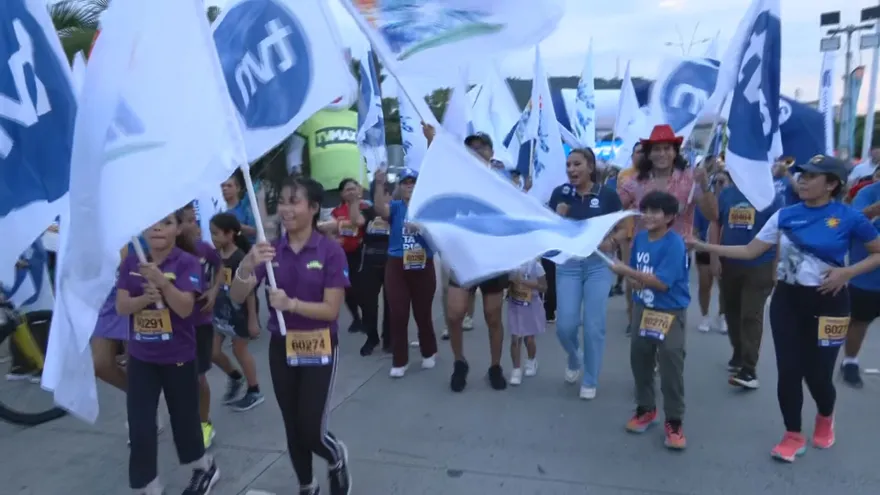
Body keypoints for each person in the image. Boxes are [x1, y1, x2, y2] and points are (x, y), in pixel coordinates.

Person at [688, 155, 880, 463]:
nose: (802, 179)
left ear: (832, 184)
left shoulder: (848, 217)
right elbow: (751, 250)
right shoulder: (785, 215)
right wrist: (705, 247)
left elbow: (877, 253)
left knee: (818, 375)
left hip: (830, 302)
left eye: (812, 176)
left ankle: (825, 415)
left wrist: (848, 273)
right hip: (788, 301)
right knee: (789, 371)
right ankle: (792, 434)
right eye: (801, 174)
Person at [229, 176, 352, 495]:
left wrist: (291, 304)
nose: (285, 208)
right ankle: (307, 485)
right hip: (282, 347)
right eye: (282, 201)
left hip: (320, 345)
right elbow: (237, 296)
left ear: (313, 208)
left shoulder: (330, 252)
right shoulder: (270, 251)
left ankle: (336, 457)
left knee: (311, 430)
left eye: (294, 201)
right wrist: (248, 262)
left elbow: (331, 310)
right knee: (293, 426)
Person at [116, 211, 219, 495]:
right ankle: (148, 485)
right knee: (140, 425)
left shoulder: (187, 263)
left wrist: (162, 282)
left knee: (184, 420)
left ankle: (204, 466)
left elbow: (186, 308)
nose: (158, 229)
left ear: (176, 230)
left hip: (178, 355)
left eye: (166, 223)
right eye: (152, 224)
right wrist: (143, 299)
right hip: (141, 358)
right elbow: (122, 306)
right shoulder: (132, 262)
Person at [610, 191, 690, 450]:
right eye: (646, 211)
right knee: (640, 361)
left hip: (669, 312)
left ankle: (674, 421)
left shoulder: (674, 244)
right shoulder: (641, 239)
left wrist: (626, 272)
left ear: (669, 217)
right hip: (643, 309)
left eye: (656, 212)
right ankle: (646, 409)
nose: (649, 216)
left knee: (670, 365)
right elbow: (638, 276)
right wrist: (632, 280)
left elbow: (662, 283)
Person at [549, 148, 626, 400]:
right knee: (565, 326)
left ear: (590, 167)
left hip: (597, 265)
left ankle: (590, 377)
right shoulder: (560, 194)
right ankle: (574, 357)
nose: (571, 169)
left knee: (594, 326)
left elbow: (625, 228)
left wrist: (612, 242)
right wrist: (556, 217)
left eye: (577, 164)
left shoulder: (608, 196)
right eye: (568, 165)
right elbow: (548, 231)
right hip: (569, 266)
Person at [437, 128, 509, 391]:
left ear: (491, 153)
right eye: (472, 148)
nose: (477, 152)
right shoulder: (455, 180)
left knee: (492, 315)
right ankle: (459, 361)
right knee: (455, 314)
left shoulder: (501, 179)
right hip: (463, 257)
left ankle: (495, 366)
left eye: (482, 147)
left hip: (492, 258)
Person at [715, 171, 783, 390]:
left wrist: (776, 268)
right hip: (730, 262)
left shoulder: (772, 196)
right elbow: (716, 224)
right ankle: (739, 351)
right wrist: (715, 257)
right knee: (731, 311)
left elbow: (781, 233)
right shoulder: (727, 194)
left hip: (760, 264)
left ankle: (749, 369)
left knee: (750, 315)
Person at [371, 166, 438, 378]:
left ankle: (429, 351)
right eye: (406, 182)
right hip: (397, 264)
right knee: (398, 313)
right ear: (400, 186)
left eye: (413, 182)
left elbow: (439, 235)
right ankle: (400, 360)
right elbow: (380, 210)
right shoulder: (397, 207)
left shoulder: (428, 208)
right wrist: (379, 184)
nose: (409, 185)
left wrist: (421, 228)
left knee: (422, 313)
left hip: (423, 263)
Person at [209, 212, 264, 411]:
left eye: (216, 233)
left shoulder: (240, 258)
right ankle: (235, 377)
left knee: (239, 350)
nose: (213, 238)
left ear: (230, 234)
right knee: (212, 351)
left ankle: (254, 390)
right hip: (220, 311)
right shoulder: (216, 256)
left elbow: (249, 291)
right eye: (211, 233)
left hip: (240, 312)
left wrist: (253, 320)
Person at [179, 203, 223, 448]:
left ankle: (205, 423)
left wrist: (215, 290)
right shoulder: (169, 255)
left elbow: (220, 267)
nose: (195, 225)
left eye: (195, 220)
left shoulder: (204, 249)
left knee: (199, 377)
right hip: (176, 327)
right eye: (189, 220)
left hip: (201, 324)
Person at [840, 173, 880, 387]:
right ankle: (850, 361)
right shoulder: (867, 193)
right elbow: (852, 223)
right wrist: (873, 209)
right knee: (860, 320)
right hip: (868, 275)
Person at [358, 181, 393, 356]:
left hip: (391, 262)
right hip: (370, 261)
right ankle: (372, 337)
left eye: (387, 192)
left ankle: (390, 338)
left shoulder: (396, 211)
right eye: (380, 193)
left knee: (391, 302)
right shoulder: (367, 212)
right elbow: (356, 221)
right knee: (368, 303)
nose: (384, 196)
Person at [694, 171, 730, 333]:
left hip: (725, 249)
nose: (719, 185)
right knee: (704, 284)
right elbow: (695, 228)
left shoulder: (731, 203)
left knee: (724, 287)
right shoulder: (703, 203)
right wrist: (697, 242)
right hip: (705, 248)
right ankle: (705, 316)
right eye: (716, 182)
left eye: (723, 182)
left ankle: (722, 315)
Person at [331, 178, 368, 334]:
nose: (351, 192)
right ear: (342, 194)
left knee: (361, 287)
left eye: (354, 188)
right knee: (348, 288)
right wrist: (335, 239)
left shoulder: (365, 207)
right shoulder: (336, 212)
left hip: (361, 253)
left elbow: (361, 224)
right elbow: (331, 232)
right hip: (342, 255)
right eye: (348, 190)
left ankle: (367, 318)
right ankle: (356, 318)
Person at [507, 258, 547, 386]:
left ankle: (531, 360)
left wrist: (527, 283)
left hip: (531, 305)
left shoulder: (537, 267)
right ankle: (516, 369)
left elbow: (544, 287)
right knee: (515, 338)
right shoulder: (511, 265)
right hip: (515, 306)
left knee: (529, 338)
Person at [221, 170, 257, 245]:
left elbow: (255, 231)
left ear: (238, 188)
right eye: (223, 186)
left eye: (229, 186)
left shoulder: (246, 208)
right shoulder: (219, 210)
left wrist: (236, 226)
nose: (225, 189)